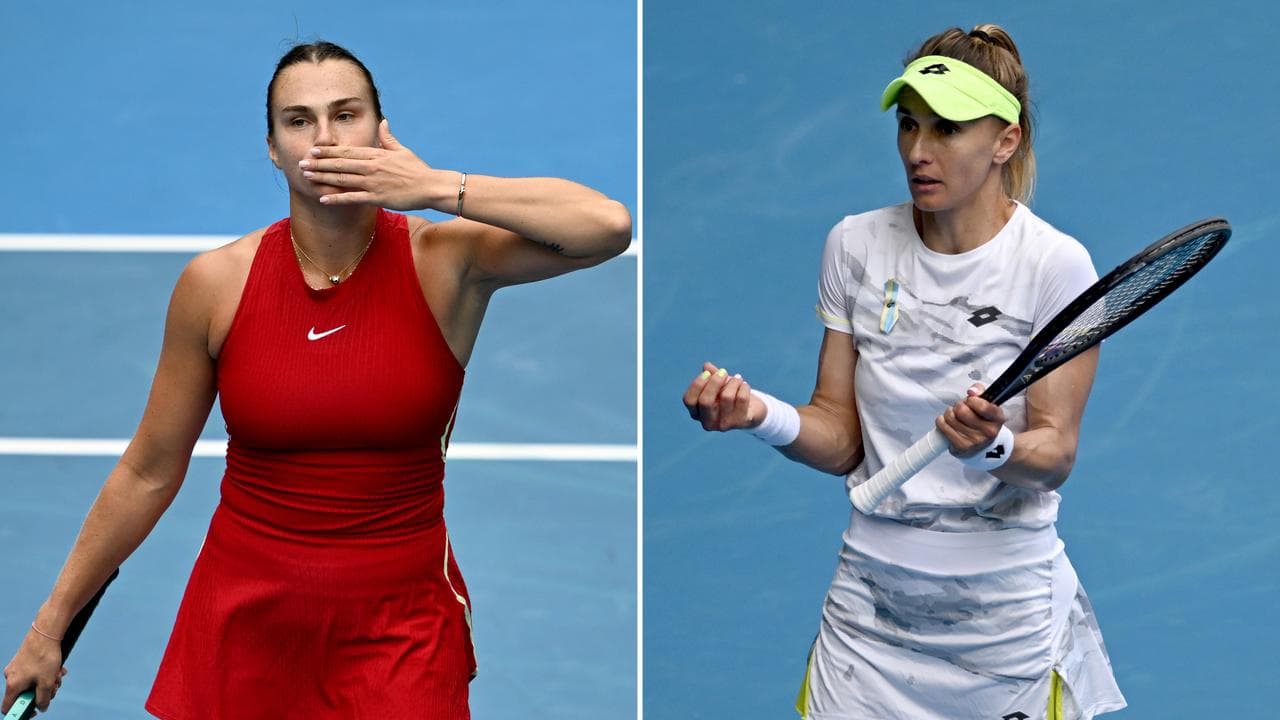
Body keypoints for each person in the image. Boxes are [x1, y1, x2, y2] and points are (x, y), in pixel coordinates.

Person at [2, 40, 631, 719]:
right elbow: (149, 471)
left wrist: (435, 187)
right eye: (298, 120)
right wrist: (49, 628)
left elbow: (605, 227)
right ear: (272, 148)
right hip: (244, 626)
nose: (325, 138)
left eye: (346, 114)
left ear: (380, 130)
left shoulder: (445, 261)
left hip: (399, 634)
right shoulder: (217, 284)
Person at [683, 25, 1127, 720]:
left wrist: (994, 447)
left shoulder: (1055, 266)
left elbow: (1055, 453)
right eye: (908, 125)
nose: (919, 152)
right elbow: (842, 437)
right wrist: (758, 414)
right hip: (869, 620)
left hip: (1001, 626)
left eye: (947, 130)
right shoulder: (856, 245)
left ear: (1004, 140)